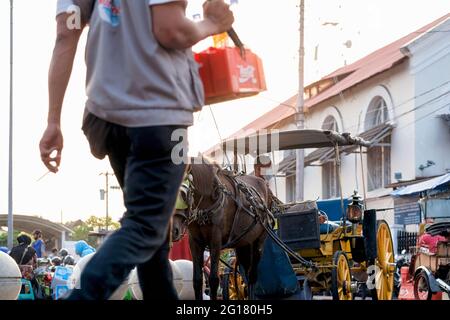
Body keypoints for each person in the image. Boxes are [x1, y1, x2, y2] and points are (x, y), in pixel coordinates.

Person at [39, 0, 234, 300]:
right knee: (146, 226)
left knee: (154, 240)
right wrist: (212, 23)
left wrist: (53, 120)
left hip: (105, 116)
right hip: (161, 117)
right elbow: (171, 30)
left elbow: (66, 35)